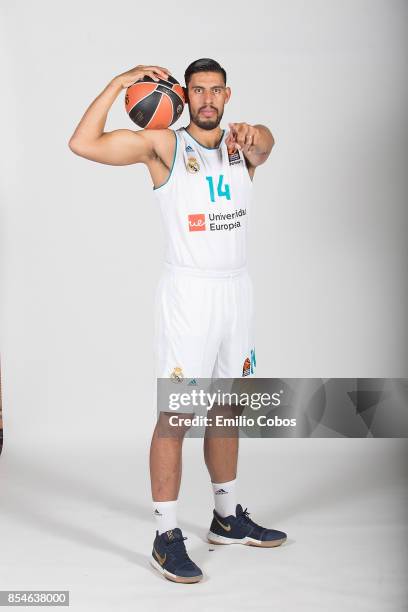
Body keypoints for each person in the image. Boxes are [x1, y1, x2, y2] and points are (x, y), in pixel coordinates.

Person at [69, 58, 287, 584]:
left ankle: (227, 517)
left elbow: (266, 146)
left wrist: (259, 134)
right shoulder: (165, 146)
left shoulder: (242, 144)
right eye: (198, 91)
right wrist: (119, 83)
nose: (208, 99)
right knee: (177, 416)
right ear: (185, 95)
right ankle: (165, 536)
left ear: (227, 94)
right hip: (189, 295)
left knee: (228, 405)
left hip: (237, 290)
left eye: (216, 90)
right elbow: (83, 143)